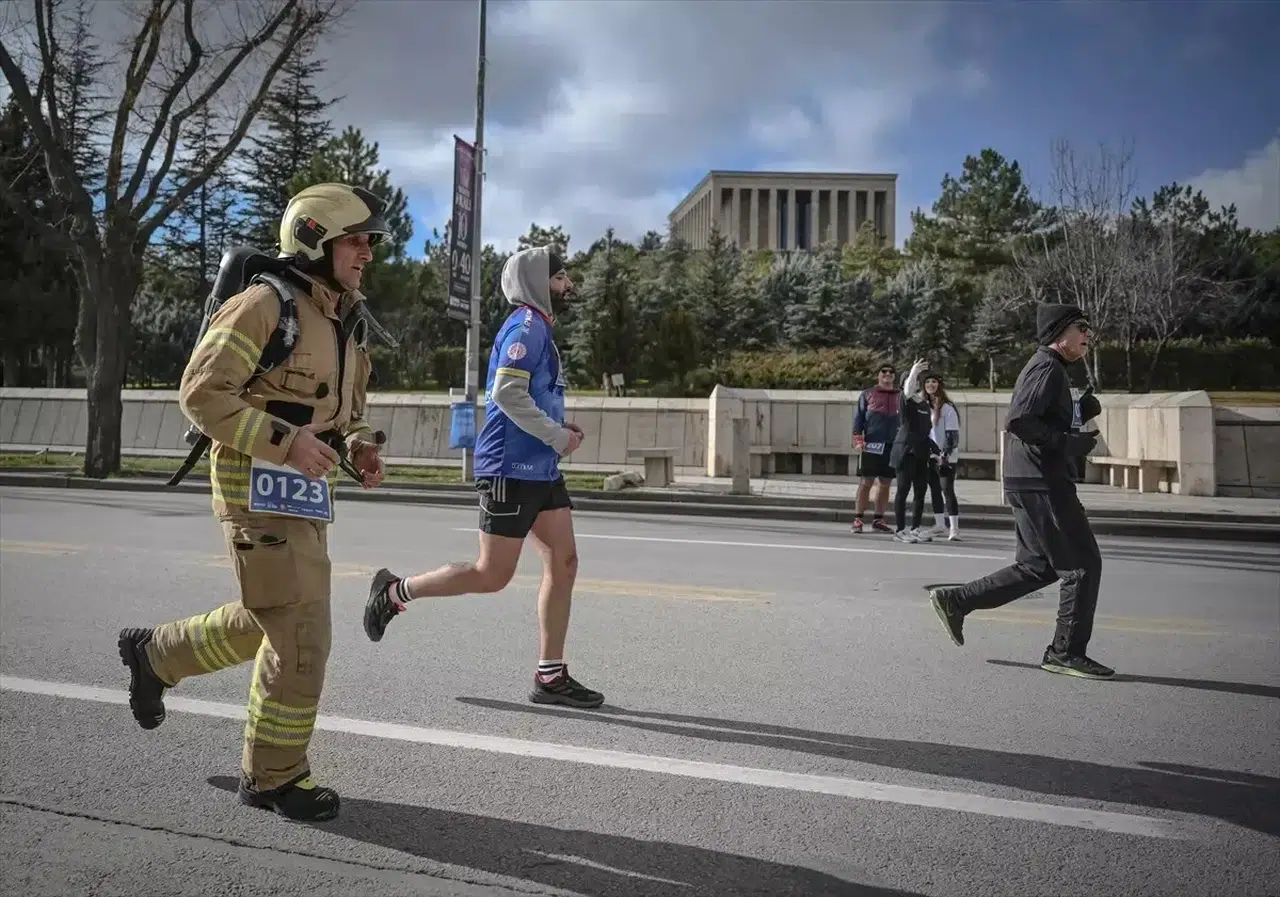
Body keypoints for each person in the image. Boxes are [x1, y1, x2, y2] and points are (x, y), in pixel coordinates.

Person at [116, 183, 394, 821]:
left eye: (370, 242)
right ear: (314, 240)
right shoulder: (265, 305)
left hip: (307, 492)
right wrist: (285, 443)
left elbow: (343, 412)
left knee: (276, 613)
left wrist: (359, 447)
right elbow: (202, 393)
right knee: (301, 631)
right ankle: (273, 777)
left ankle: (156, 655)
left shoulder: (345, 320)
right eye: (355, 240)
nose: (367, 253)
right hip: (253, 483)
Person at [361, 246, 604, 709]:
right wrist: (557, 436)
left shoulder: (539, 328)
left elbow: (527, 396)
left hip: (540, 468)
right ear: (537, 282)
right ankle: (393, 592)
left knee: (565, 561)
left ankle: (550, 676)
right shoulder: (526, 326)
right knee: (491, 575)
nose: (568, 285)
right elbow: (507, 393)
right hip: (511, 469)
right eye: (560, 278)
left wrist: (557, 429)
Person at [927, 303, 1113, 680]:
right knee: (1082, 566)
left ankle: (956, 600)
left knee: (1037, 567)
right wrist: (1068, 443)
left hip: (1028, 478)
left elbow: (1037, 418)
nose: (1088, 334)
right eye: (1081, 327)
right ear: (1059, 333)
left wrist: (1078, 412)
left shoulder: (1050, 368)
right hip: (1042, 481)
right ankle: (1065, 653)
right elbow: (1020, 421)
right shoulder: (1047, 367)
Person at [889, 358, 941, 543]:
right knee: (903, 490)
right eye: (911, 380)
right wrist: (914, 371)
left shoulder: (924, 405)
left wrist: (936, 451)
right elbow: (908, 389)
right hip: (906, 452)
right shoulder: (905, 400)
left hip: (921, 453)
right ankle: (900, 530)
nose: (914, 383)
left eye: (916, 380)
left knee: (920, 490)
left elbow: (926, 432)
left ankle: (915, 528)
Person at [850, 363, 899, 534]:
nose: (887, 374)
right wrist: (858, 439)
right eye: (883, 371)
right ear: (878, 375)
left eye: (891, 372)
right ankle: (858, 519)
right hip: (871, 444)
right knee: (866, 482)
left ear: (894, 376)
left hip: (892, 445)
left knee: (885, 483)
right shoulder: (868, 394)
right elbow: (859, 418)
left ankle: (878, 519)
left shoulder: (900, 395)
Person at [923, 371, 962, 540]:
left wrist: (944, 455)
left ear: (939, 385)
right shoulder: (924, 405)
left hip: (945, 456)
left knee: (947, 489)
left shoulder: (947, 408)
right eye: (927, 382)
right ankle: (940, 524)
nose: (930, 385)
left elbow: (952, 434)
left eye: (934, 381)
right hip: (930, 454)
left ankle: (954, 528)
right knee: (934, 489)